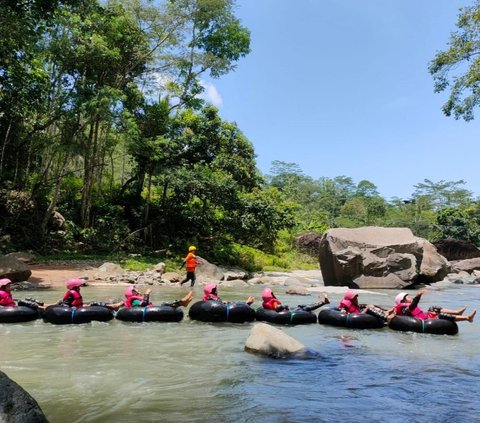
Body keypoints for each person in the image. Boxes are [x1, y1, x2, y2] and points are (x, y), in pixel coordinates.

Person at [390, 289, 476, 323]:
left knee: (433, 308)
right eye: (408, 297)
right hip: (423, 321)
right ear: (403, 301)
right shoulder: (404, 308)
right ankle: (467, 318)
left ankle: (458, 312)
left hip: (425, 317)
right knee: (440, 315)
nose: (410, 297)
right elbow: (412, 307)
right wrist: (417, 297)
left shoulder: (404, 306)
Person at [261, 287, 329, 312]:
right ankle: (323, 303)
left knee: (301, 306)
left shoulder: (265, 303)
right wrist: (284, 307)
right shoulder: (273, 302)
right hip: (290, 311)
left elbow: (275, 304)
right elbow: (277, 308)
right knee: (306, 308)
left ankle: (321, 302)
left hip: (289, 309)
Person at [124, 285, 194, 309]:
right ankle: (182, 302)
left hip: (148, 309)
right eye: (136, 291)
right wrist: (147, 294)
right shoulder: (134, 301)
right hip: (146, 311)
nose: (139, 292)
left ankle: (182, 303)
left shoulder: (135, 300)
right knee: (164, 304)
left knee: (164, 304)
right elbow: (144, 304)